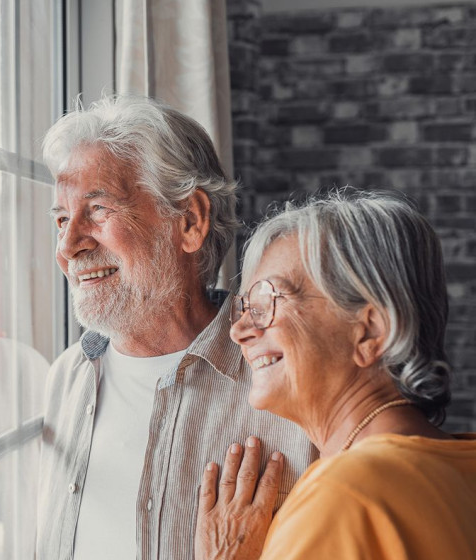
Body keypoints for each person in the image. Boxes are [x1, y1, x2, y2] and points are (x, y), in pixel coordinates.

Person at [35, 95, 316, 560]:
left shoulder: (289, 381)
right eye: (62, 219)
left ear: (189, 221)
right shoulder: (66, 377)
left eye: (97, 209)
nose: (68, 246)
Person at [194, 190, 476, 560]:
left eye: (267, 303)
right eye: (245, 307)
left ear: (370, 331)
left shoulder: (343, 497)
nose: (239, 330)